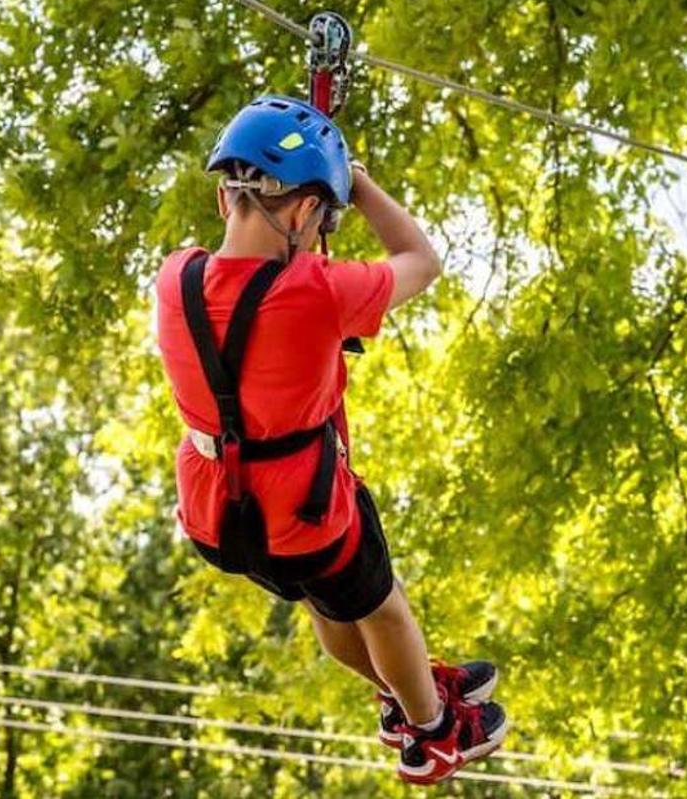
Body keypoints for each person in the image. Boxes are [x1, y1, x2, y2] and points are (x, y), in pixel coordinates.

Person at [152, 94, 508, 785]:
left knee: (327, 602)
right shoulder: (318, 290)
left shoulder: (176, 278)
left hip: (221, 516)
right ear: (306, 212)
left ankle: (405, 688)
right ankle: (432, 730)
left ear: (227, 197)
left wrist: (320, 180)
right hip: (309, 508)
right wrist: (360, 179)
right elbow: (422, 259)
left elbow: (242, 313)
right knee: (383, 607)